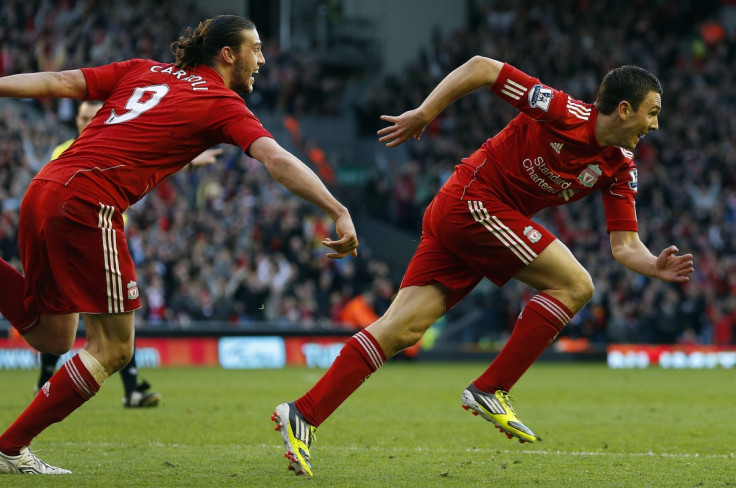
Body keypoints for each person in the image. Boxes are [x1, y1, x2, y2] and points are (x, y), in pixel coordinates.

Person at [271, 56, 694, 477]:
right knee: (575, 285)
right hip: (472, 203)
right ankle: (491, 389)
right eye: (652, 112)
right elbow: (482, 68)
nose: (654, 125)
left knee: (402, 329)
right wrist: (424, 113)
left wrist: (654, 266)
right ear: (625, 109)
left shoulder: (620, 167)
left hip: (469, 221)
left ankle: (303, 414)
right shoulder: (561, 110)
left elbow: (625, 246)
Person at [0, 14, 358, 475]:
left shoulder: (142, 69)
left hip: (44, 187)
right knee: (114, 348)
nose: (262, 60)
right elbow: (275, 158)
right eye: (257, 49)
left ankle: (11, 447)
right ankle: (10, 448)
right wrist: (337, 208)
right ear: (228, 54)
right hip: (88, 204)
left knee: (54, 336)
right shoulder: (221, 103)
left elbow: (61, 80)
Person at [34, 100, 163, 409]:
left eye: (92, 116)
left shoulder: (116, 148)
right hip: (76, 242)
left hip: (111, 240)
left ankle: (130, 388)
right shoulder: (64, 151)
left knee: (119, 315)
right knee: (66, 315)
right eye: (82, 117)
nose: (86, 122)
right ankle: (46, 381)